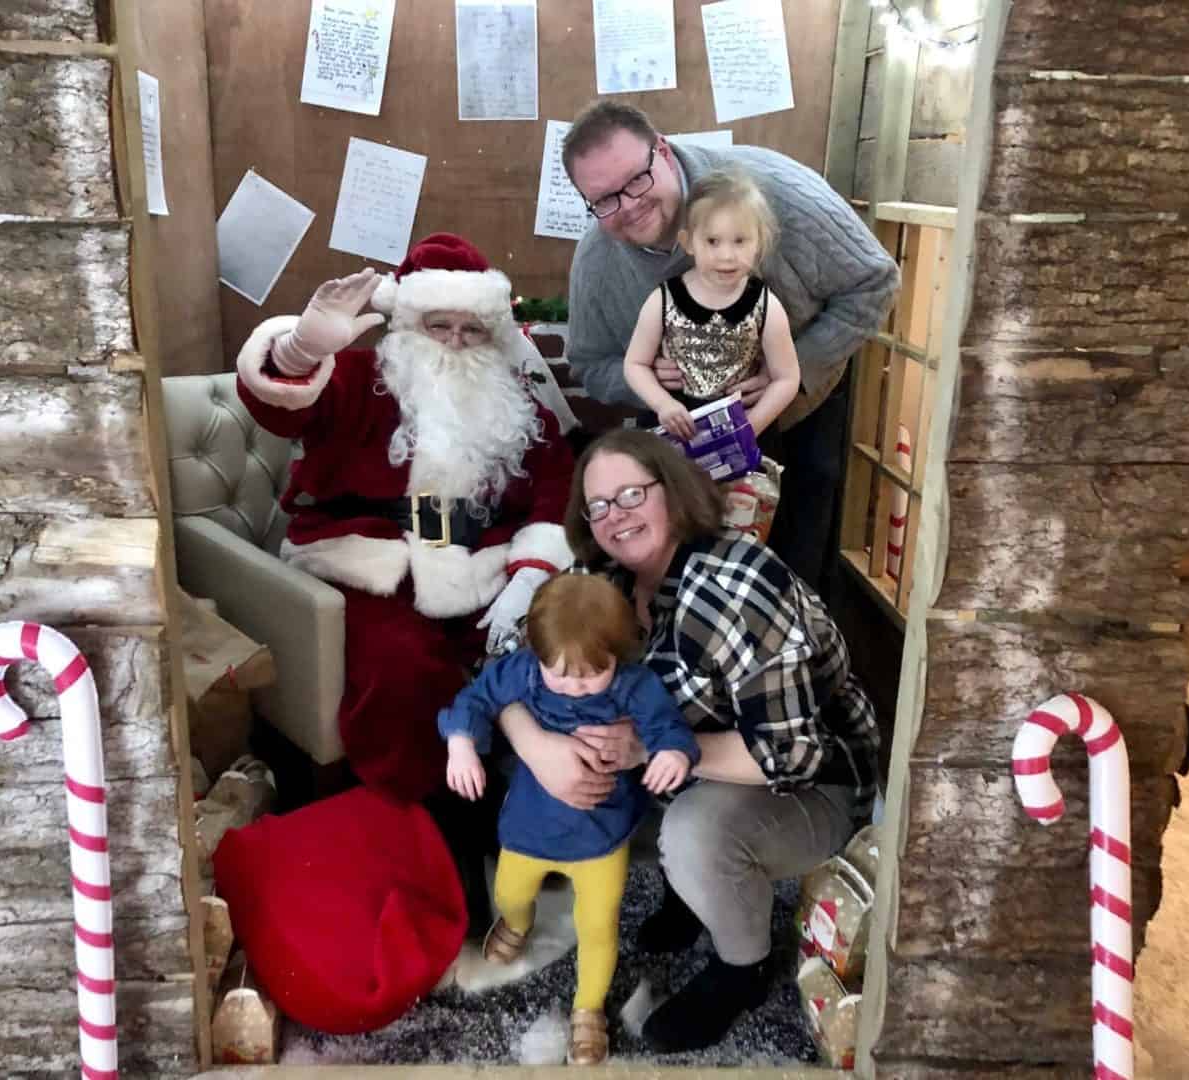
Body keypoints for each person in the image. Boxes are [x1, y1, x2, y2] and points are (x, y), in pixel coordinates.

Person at [233, 232, 576, 931]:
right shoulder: (359, 379)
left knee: (535, 659)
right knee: (405, 669)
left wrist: (528, 575)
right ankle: (434, 837)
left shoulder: (515, 403)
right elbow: (280, 405)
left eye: (470, 328)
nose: (454, 341)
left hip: (479, 570)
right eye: (437, 325)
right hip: (367, 564)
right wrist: (302, 348)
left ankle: (507, 821)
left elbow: (553, 489)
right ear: (408, 323)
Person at [498, 428, 880, 1054]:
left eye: (631, 494)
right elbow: (511, 665)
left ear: (673, 493)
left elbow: (793, 754)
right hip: (698, 752)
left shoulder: (731, 590)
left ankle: (742, 969)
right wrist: (540, 746)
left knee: (693, 834)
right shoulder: (602, 575)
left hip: (812, 780)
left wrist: (646, 750)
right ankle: (686, 893)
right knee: (558, 758)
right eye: (598, 505)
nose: (615, 517)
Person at [562, 100, 900, 594]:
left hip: (798, 418)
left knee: (792, 572)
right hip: (676, 441)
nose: (628, 205)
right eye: (604, 200)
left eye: (636, 180)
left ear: (662, 149)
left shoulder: (776, 194)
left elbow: (875, 281)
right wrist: (649, 382)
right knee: (681, 577)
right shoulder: (596, 263)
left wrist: (793, 370)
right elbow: (590, 363)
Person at [437, 573, 699, 1065]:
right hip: (529, 829)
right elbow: (475, 698)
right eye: (560, 674)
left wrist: (670, 754)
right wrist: (460, 744)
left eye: (590, 674)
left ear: (618, 657)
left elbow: (670, 727)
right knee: (511, 894)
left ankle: (589, 1009)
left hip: (602, 838)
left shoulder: (633, 685)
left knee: (598, 927)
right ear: (536, 655)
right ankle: (517, 924)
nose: (574, 686)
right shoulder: (526, 671)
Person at [623, 168, 801, 445]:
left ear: (759, 242)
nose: (726, 256)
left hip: (742, 423)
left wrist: (751, 427)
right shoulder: (663, 299)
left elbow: (787, 378)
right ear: (689, 242)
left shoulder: (766, 305)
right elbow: (635, 364)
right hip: (676, 424)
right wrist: (662, 404)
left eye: (740, 241)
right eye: (712, 241)